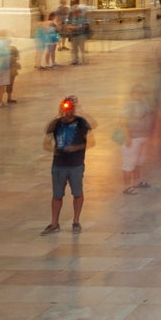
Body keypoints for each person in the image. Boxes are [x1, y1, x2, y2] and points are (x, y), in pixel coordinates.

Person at [42, 95, 94, 234]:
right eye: (65, 108)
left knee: (77, 192)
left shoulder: (81, 122)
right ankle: (54, 223)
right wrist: (55, 149)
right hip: (59, 164)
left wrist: (75, 148)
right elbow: (46, 142)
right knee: (57, 195)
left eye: (70, 108)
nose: (67, 111)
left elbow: (91, 141)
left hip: (75, 164)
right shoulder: (56, 123)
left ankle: (76, 221)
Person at [119, 86, 153, 193]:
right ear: (132, 93)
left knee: (138, 162)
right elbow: (122, 121)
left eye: (141, 92)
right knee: (129, 163)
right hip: (132, 138)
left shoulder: (144, 103)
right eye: (137, 92)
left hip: (143, 137)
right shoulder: (128, 105)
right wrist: (127, 136)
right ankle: (127, 187)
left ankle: (137, 182)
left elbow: (148, 115)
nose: (139, 94)